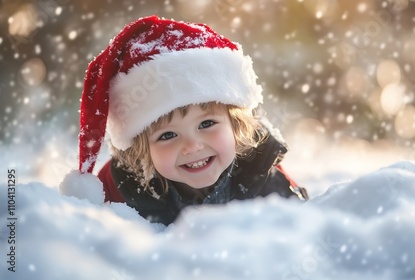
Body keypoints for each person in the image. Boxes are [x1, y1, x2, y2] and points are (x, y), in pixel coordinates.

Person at [73, 15, 307, 226]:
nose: (193, 146)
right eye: (167, 135)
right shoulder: (123, 187)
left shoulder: (259, 169)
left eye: (206, 124)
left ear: (236, 125)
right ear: (140, 151)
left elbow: (301, 226)